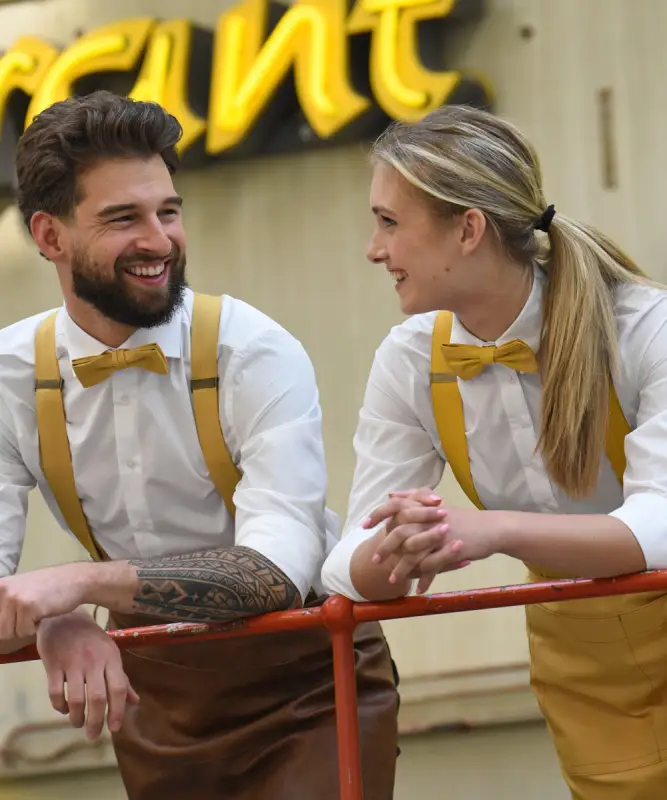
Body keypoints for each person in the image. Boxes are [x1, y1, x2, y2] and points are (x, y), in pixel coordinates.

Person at [0, 90, 398, 800]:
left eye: (169, 212)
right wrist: (53, 623)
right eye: (124, 218)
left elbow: (274, 572)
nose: (159, 240)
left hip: (308, 686)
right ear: (50, 236)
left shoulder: (253, 349)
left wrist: (81, 585)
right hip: (154, 699)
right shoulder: (9, 376)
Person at [320, 103, 667, 799]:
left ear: (468, 229)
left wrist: (492, 530)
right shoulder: (408, 362)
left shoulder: (641, 328)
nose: (373, 249)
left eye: (389, 222)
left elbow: (659, 529)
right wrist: (404, 543)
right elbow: (345, 565)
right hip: (583, 673)